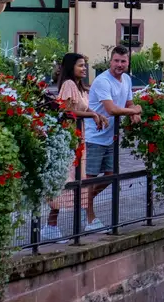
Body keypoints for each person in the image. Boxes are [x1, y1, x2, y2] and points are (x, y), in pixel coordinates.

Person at [40, 53, 109, 241]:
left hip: (78, 138)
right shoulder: (69, 85)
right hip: (68, 139)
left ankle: (84, 220)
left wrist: (96, 114)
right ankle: (51, 226)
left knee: (78, 178)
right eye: (80, 65)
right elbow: (67, 111)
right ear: (71, 67)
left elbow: (84, 108)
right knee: (66, 180)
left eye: (85, 65)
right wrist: (93, 116)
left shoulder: (79, 87)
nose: (84, 68)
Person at [85, 46, 142, 231]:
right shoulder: (103, 81)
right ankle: (89, 219)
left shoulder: (127, 79)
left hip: (110, 136)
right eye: (116, 61)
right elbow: (111, 110)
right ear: (110, 61)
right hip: (94, 136)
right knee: (90, 178)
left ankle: (83, 200)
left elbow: (129, 102)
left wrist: (134, 111)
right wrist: (133, 111)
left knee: (111, 175)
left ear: (128, 63)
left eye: (123, 61)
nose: (119, 64)